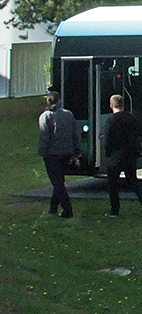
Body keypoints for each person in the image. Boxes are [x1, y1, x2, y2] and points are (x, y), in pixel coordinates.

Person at [103, 94, 142, 218]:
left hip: (116, 156)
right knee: (133, 180)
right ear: (123, 105)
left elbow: (107, 139)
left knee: (113, 183)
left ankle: (115, 209)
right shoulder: (131, 118)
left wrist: (107, 153)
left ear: (111, 106)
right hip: (130, 154)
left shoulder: (111, 120)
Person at [37, 91, 79, 219]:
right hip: (66, 152)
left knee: (57, 182)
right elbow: (75, 134)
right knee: (59, 180)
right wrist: (77, 150)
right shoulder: (68, 115)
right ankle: (53, 207)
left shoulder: (46, 116)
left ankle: (67, 209)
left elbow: (44, 136)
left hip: (52, 154)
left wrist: (42, 152)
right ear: (59, 101)